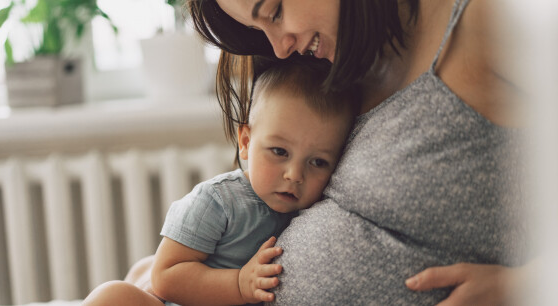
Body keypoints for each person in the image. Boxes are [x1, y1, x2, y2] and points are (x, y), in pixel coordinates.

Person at [177, 0, 528, 304]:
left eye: (276, 10)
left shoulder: (487, 22)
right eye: (257, 28)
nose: (280, 48)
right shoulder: (334, 62)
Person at [82, 58, 358, 305]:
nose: (295, 175)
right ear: (246, 142)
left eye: (318, 162)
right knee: (114, 295)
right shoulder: (218, 201)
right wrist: (239, 284)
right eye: (279, 152)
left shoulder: (317, 211)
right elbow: (165, 276)